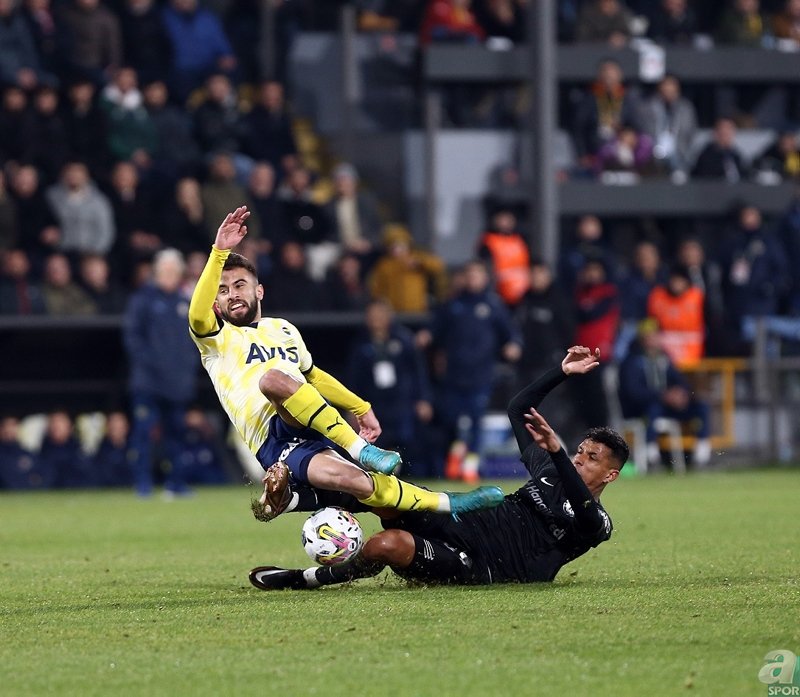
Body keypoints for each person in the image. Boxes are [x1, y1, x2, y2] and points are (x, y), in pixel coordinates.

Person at [188, 206, 504, 522]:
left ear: (259, 290)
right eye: (224, 291)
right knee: (278, 386)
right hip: (272, 439)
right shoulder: (215, 340)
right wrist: (219, 252)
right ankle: (360, 459)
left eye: (239, 285)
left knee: (357, 478)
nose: (232, 295)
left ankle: (451, 504)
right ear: (216, 302)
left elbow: (313, 376)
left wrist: (360, 406)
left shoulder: (282, 329)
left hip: (309, 416)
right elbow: (197, 315)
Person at [248, 346, 628, 590]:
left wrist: (559, 453)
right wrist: (560, 372)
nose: (579, 458)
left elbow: (583, 509)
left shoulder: (598, 523)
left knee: (385, 544)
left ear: (611, 475)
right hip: (463, 520)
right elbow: (517, 407)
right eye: (580, 451)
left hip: (483, 567)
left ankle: (305, 579)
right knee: (379, 490)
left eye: (591, 458)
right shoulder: (548, 469)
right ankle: (292, 498)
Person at [123, 247, 197, 497]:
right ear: (156, 272)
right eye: (165, 270)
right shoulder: (142, 300)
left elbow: (195, 342)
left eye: (173, 271)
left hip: (177, 384)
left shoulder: (186, 302)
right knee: (144, 433)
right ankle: (142, 484)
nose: (169, 275)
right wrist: (150, 364)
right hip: (149, 383)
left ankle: (176, 483)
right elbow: (133, 338)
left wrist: (187, 370)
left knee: (177, 434)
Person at [618, 320, 711, 468]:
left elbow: (680, 380)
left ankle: (702, 448)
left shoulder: (665, 358)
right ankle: (651, 452)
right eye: (648, 336)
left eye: (655, 335)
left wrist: (681, 394)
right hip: (641, 410)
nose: (653, 339)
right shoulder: (632, 361)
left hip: (666, 407)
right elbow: (633, 392)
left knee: (701, 406)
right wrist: (662, 395)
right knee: (653, 408)